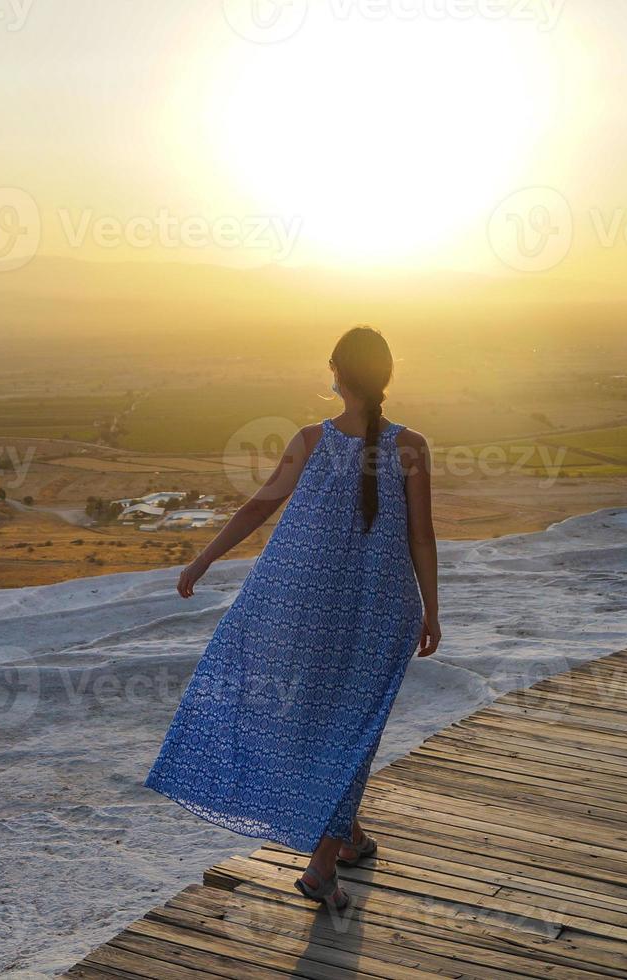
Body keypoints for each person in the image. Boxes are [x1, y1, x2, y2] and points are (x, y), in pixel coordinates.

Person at [144, 325, 441, 912]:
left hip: (306, 612)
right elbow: (422, 536)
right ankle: (337, 847)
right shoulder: (413, 446)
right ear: (385, 378)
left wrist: (203, 560)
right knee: (355, 727)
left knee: (326, 724)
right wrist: (432, 609)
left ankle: (327, 862)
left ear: (336, 372)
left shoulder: (312, 440)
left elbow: (259, 506)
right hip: (384, 610)